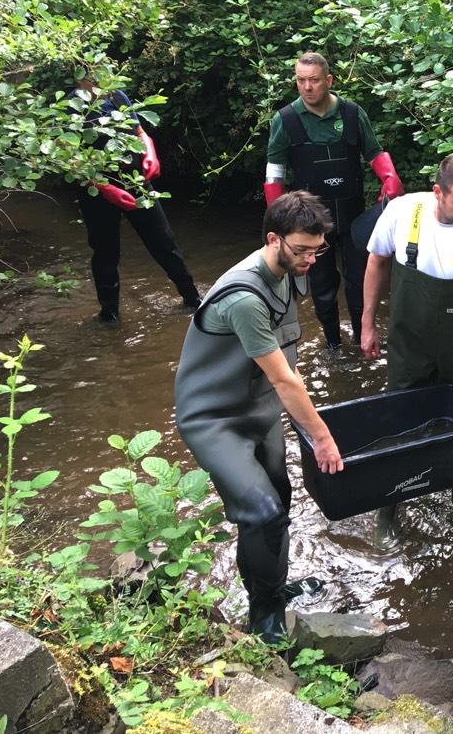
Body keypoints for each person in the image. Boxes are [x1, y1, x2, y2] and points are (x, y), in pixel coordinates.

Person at [174, 191, 344, 645]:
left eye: (317, 248)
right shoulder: (244, 296)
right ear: (274, 239)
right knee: (263, 513)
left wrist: (307, 419)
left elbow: (286, 360)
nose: (311, 258)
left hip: (260, 409)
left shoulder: (290, 271)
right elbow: (287, 382)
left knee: (278, 505)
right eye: (301, 250)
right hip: (213, 419)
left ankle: (269, 591)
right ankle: (264, 618)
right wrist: (322, 438)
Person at [360, 155, 453, 539]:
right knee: (398, 421)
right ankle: (388, 507)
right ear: (437, 193)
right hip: (408, 344)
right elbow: (376, 262)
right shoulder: (402, 213)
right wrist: (367, 324)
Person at [264, 51, 404, 348]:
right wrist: (276, 219)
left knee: (359, 283)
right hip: (310, 225)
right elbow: (275, 173)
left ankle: (361, 337)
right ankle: (332, 345)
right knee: (323, 287)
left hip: (354, 218)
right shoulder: (285, 120)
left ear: (328, 80)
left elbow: (374, 152)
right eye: (300, 80)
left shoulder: (352, 113)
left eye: (314, 80)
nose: (307, 87)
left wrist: (390, 177)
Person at [67, 72, 201, 322]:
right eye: (94, 78)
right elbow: (70, 163)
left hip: (137, 183)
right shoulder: (68, 109)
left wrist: (150, 151)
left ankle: (193, 300)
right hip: (96, 191)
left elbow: (139, 132)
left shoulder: (117, 95)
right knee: (106, 254)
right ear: (80, 78)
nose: (101, 83)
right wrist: (106, 189)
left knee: (164, 243)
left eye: (103, 75)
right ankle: (109, 315)